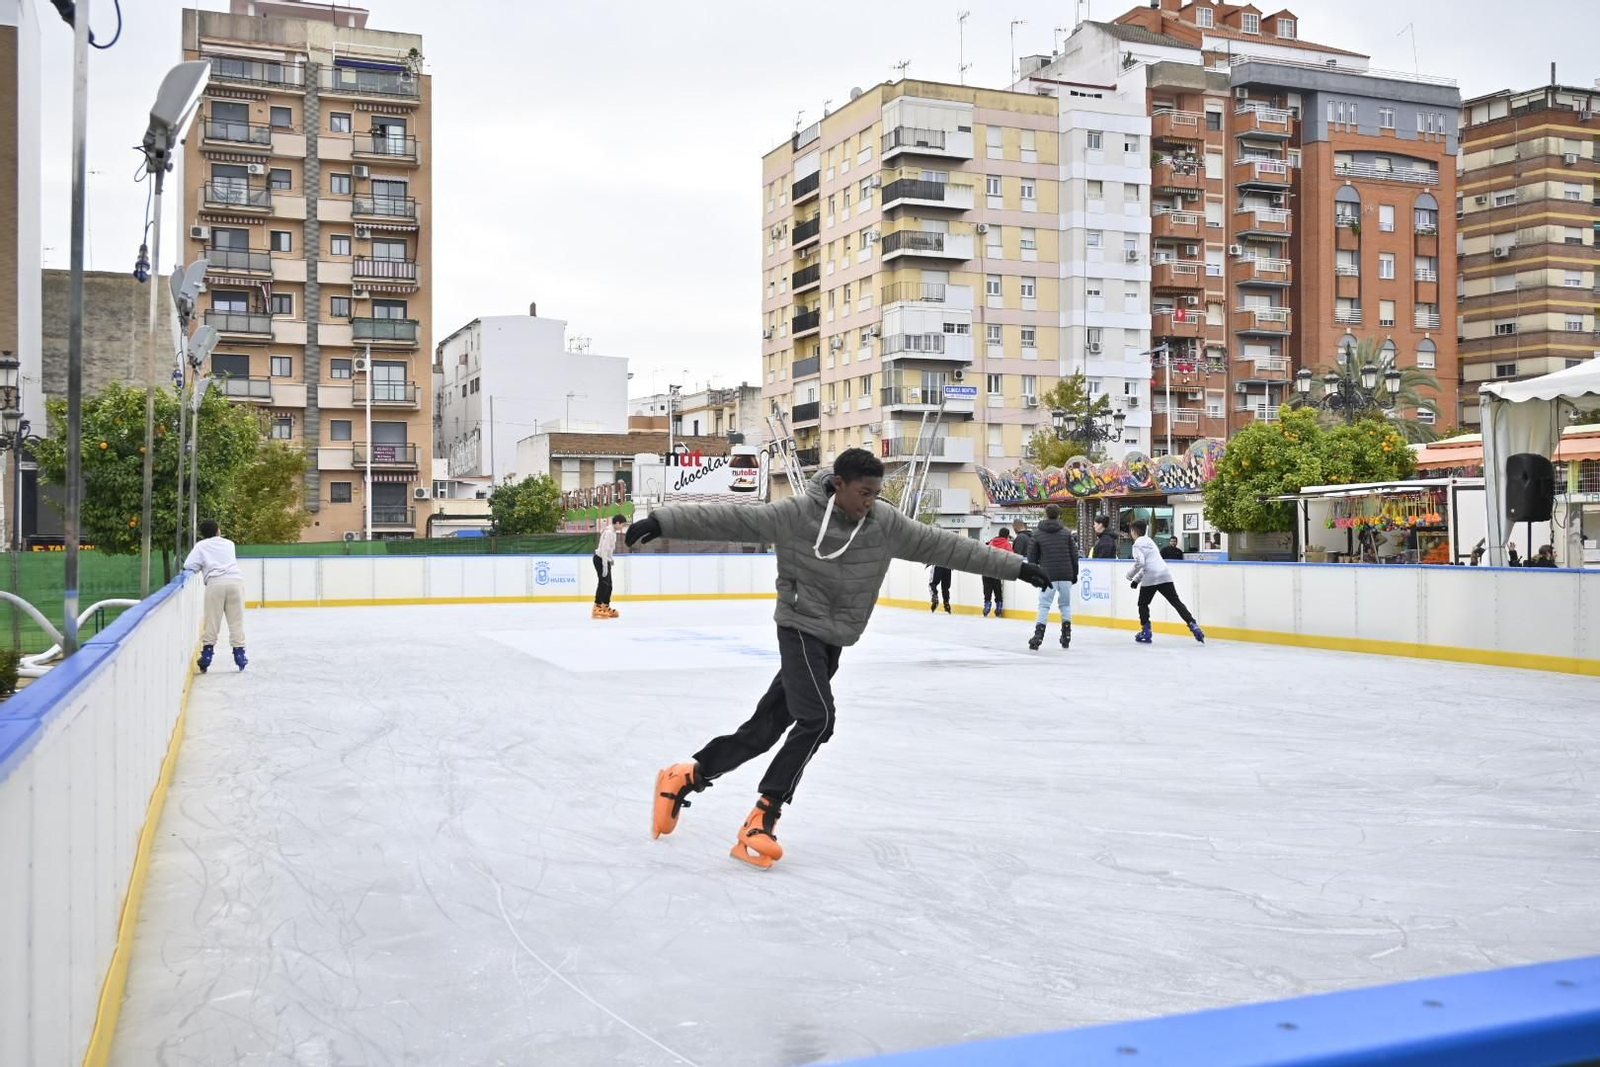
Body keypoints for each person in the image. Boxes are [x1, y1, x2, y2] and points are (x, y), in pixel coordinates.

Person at [629, 448, 1051, 869]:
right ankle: (764, 816)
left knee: (764, 729)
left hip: (835, 638)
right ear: (839, 484)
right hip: (798, 627)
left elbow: (943, 546)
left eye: (875, 493)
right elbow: (732, 519)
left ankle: (688, 775)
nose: (870, 500)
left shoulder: (884, 523)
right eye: (864, 492)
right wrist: (662, 520)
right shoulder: (796, 515)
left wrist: (1016, 567)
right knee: (818, 719)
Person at [183, 519, 247, 672]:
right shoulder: (229, 544)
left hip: (215, 583)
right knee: (236, 621)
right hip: (235, 582)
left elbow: (189, 565)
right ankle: (239, 654)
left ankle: (207, 655)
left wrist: (202, 565)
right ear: (218, 530)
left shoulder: (201, 546)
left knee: (212, 621)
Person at [1127, 518, 1204, 645]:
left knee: (1143, 603)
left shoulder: (1136, 544)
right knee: (1176, 602)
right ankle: (1193, 625)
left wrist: (1130, 576)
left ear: (1133, 531)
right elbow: (1152, 562)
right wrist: (1137, 579)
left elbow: (1141, 563)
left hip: (1151, 576)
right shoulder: (1150, 542)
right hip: (1164, 573)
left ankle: (1146, 631)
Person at [1025, 504, 1079, 651]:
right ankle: (1066, 635)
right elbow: (1075, 556)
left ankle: (1038, 636)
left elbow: (1031, 558)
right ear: (1059, 515)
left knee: (1044, 605)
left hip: (1047, 575)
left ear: (1046, 515)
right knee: (1065, 605)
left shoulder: (1037, 534)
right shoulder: (1067, 533)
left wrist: (1034, 576)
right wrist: (1074, 574)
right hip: (1066, 574)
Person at [591, 513, 628, 619]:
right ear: (617, 523)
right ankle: (596, 606)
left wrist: (610, 559)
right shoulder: (608, 532)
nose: (622, 527)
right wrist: (605, 565)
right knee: (603, 583)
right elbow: (603, 549)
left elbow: (610, 549)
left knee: (609, 584)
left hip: (605, 560)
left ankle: (605, 606)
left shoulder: (613, 532)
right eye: (622, 524)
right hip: (600, 559)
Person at [983, 527, 1012, 618]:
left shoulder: (991, 541)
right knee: (997, 588)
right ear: (1007, 535)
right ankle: (999, 606)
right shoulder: (1006, 543)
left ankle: (987, 604)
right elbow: (1011, 555)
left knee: (987, 587)